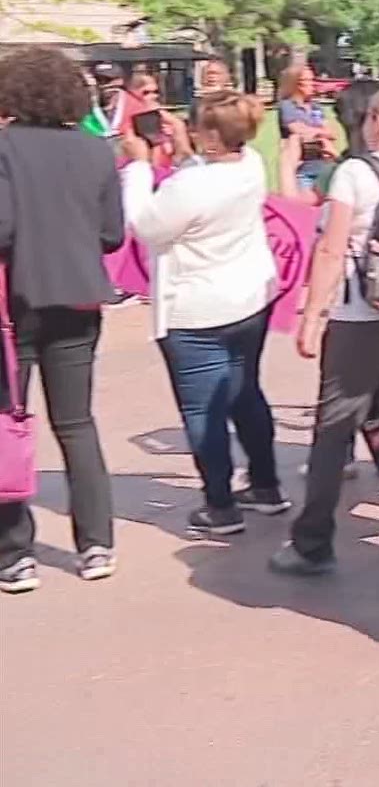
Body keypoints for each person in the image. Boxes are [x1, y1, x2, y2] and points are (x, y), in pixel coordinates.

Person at [270, 86, 379, 578]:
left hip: (361, 315)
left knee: (335, 428)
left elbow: (331, 248)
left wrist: (312, 316)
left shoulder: (355, 174)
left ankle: (312, 542)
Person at [123, 91, 286, 536]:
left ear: (211, 136)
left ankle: (221, 504)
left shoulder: (191, 185)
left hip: (197, 311)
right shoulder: (249, 164)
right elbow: (201, 178)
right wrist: (189, 151)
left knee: (203, 410)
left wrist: (138, 165)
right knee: (244, 392)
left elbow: (146, 226)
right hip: (249, 298)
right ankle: (266, 486)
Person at [0, 46, 125, 593]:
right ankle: (96, 543)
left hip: (15, 301)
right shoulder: (97, 150)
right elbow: (112, 234)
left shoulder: (4, 147)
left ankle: (14, 552)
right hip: (78, 297)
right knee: (77, 424)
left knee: (8, 423)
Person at [277, 58, 337, 200]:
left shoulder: (316, 107)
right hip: (303, 171)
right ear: (296, 84)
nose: (313, 84)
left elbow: (332, 133)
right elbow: (298, 130)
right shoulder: (287, 106)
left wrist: (316, 133)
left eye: (312, 80)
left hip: (324, 168)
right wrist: (321, 133)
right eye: (307, 81)